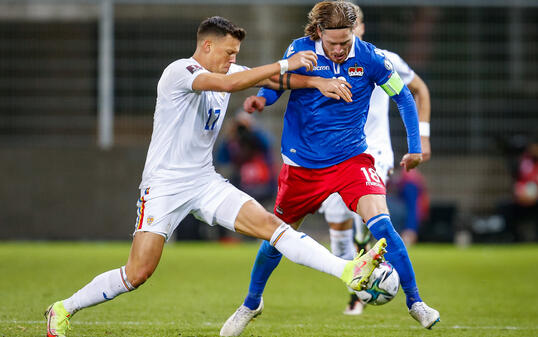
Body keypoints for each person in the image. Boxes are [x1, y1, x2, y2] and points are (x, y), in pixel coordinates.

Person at [44, 16, 387, 337]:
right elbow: (230, 81)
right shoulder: (179, 72)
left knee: (272, 227)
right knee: (138, 273)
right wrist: (286, 62)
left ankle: (347, 270)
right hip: (163, 187)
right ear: (207, 46)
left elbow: (271, 80)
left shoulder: (228, 69)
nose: (232, 58)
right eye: (228, 52)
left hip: (205, 182)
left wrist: (314, 81)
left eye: (236, 54)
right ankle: (64, 308)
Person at [220, 2, 439, 336]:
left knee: (382, 225)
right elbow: (280, 80)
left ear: (354, 34)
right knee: (276, 238)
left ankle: (416, 302)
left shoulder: (370, 58)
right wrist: (263, 99)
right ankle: (251, 303)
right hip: (302, 166)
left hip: (352, 160)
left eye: (346, 42)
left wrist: (414, 146)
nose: (339, 49)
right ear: (319, 32)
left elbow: (405, 97)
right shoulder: (300, 49)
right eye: (333, 42)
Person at [312, 3, 432, 315]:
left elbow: (418, 89)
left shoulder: (383, 59)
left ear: (358, 29)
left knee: (367, 217)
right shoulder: (321, 59)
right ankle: (354, 284)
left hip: (373, 152)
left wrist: (424, 136)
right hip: (333, 155)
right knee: (338, 227)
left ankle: (375, 275)